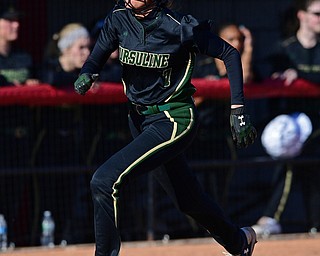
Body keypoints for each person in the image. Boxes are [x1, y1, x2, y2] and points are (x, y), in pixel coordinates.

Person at [74, 1, 257, 255]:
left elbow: (229, 53)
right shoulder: (118, 18)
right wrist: (88, 72)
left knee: (104, 181)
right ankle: (240, 242)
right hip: (138, 119)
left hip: (174, 119)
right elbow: (98, 56)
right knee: (188, 199)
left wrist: (238, 110)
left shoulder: (178, 26)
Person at [253, 0, 320, 236]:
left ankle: (313, 225)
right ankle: (271, 217)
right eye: (317, 14)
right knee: (290, 161)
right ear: (302, 15)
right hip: (292, 122)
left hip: (318, 122)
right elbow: (265, 75)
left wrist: (299, 74)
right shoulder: (284, 48)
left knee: (313, 171)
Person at [0, 4, 39, 86]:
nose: (16, 25)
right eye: (10, 21)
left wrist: (31, 83)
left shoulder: (24, 56)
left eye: (17, 20)